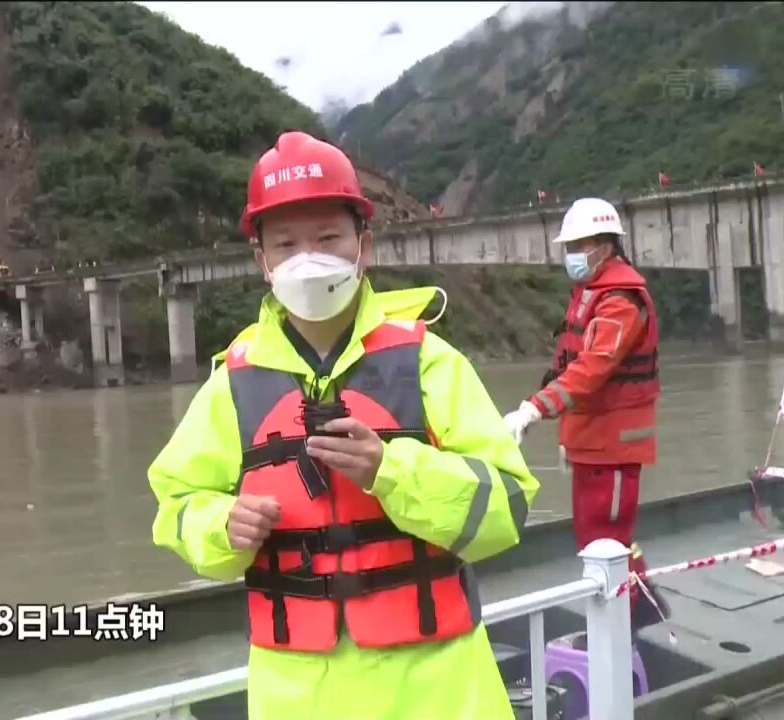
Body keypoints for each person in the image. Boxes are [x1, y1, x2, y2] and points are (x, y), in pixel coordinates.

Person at [148, 130, 540, 720]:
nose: (307, 258)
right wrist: (220, 524)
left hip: (440, 692)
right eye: (285, 243)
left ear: (363, 246)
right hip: (299, 699)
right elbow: (175, 505)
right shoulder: (231, 383)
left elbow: (508, 508)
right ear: (262, 261)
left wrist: (392, 470)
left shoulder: (430, 362)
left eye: (328, 237)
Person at [502, 197, 669, 632]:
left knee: (607, 545)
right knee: (598, 539)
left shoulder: (620, 302)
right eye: (569, 245)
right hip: (591, 442)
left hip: (613, 446)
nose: (572, 254)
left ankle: (623, 628)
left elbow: (592, 368)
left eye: (579, 245)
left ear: (605, 245)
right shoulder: (592, 292)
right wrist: (561, 430)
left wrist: (533, 410)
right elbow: (568, 366)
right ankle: (639, 610)